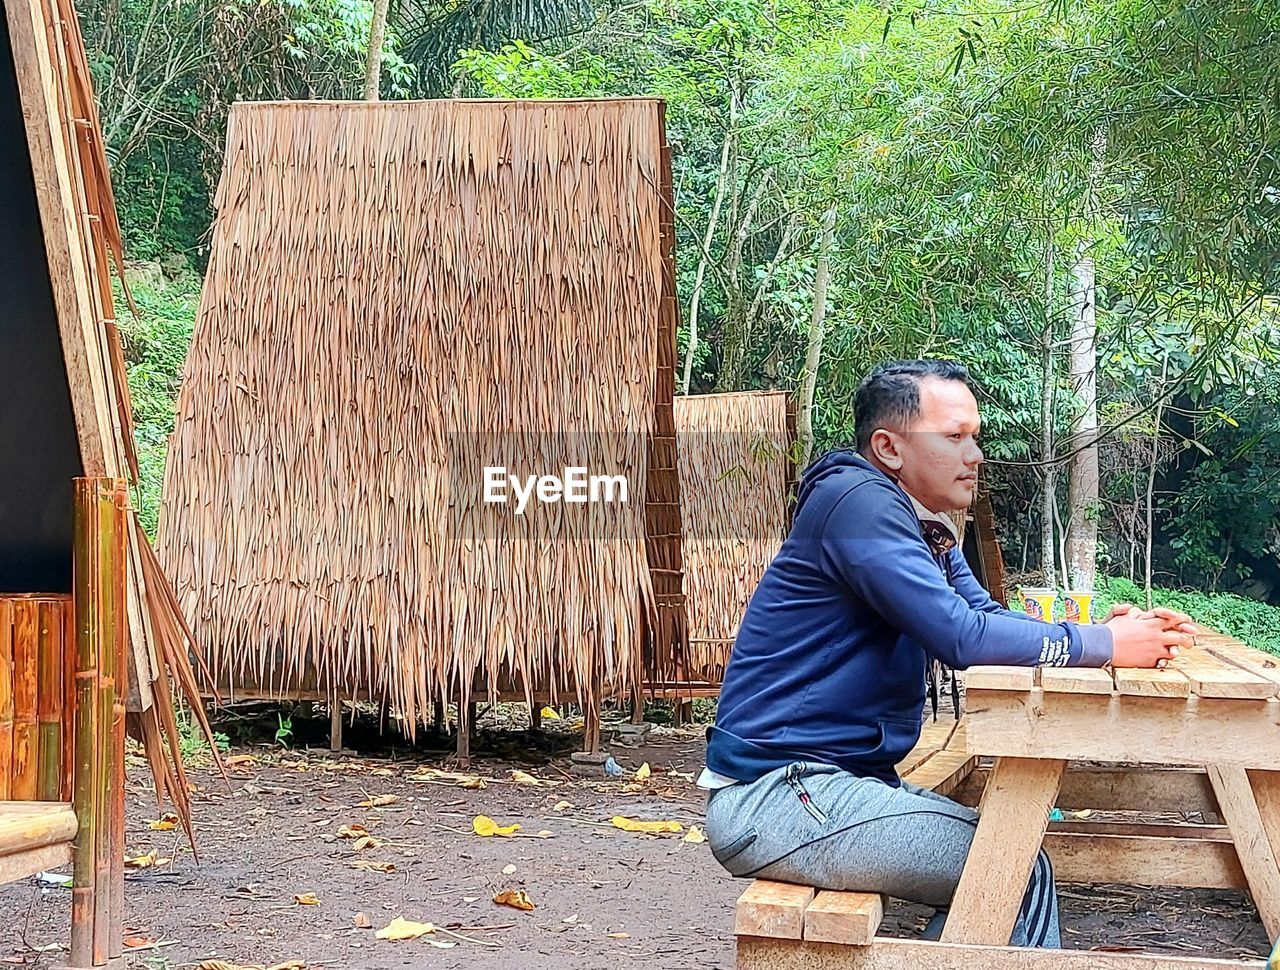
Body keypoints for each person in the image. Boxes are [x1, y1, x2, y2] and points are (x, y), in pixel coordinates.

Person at [701, 358, 1194, 948]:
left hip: (828, 786)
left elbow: (983, 617)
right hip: (781, 796)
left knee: (1008, 865)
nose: (975, 454)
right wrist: (1104, 646)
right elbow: (960, 637)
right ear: (889, 447)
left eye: (975, 438)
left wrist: (1098, 634)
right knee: (1012, 873)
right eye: (954, 436)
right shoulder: (857, 502)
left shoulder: (921, 523)